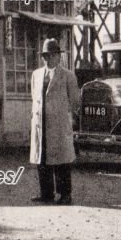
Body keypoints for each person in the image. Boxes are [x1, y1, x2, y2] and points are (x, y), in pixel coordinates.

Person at [29, 38, 80, 205]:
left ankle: (65, 194)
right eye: (45, 55)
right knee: (42, 159)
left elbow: (75, 101)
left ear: (58, 56)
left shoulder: (68, 76)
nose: (47, 59)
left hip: (58, 124)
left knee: (61, 161)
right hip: (40, 124)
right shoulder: (36, 75)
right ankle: (46, 193)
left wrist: (64, 116)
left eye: (51, 55)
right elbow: (34, 97)